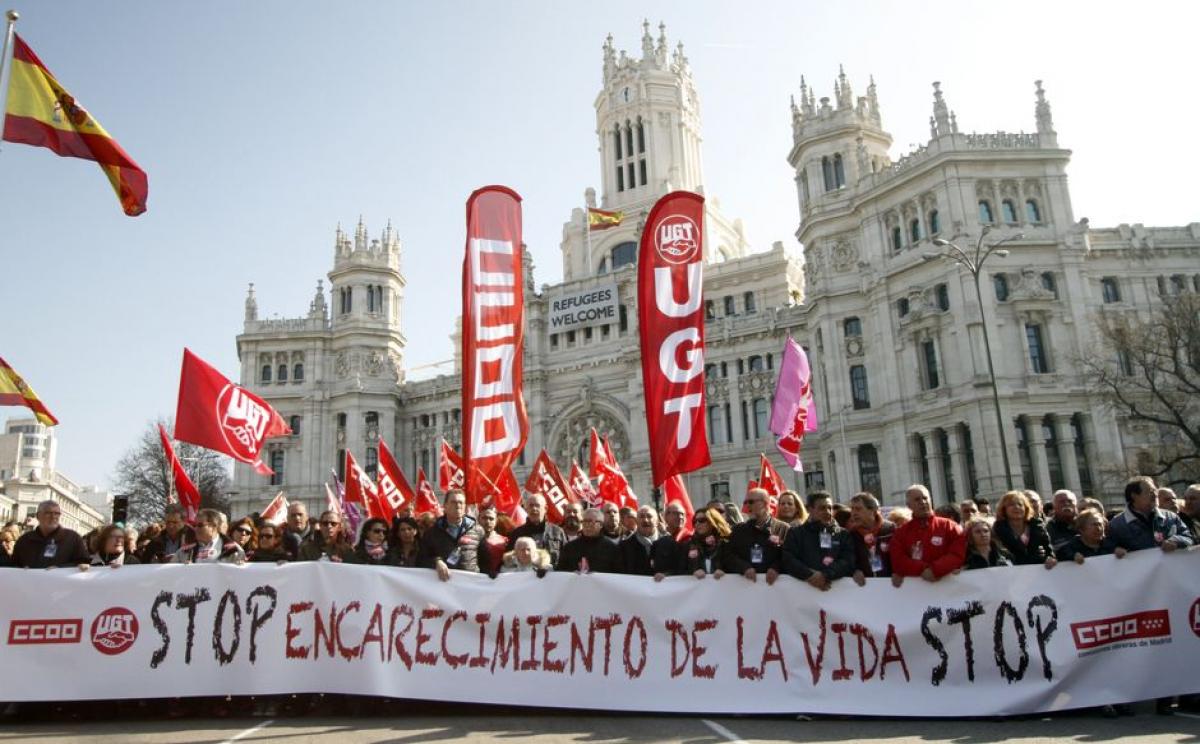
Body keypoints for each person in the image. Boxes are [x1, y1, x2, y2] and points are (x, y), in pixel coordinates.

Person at [889, 485, 965, 585]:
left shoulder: (950, 526)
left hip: (949, 591)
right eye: (917, 499)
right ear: (909, 505)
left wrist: (935, 570)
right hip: (917, 595)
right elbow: (898, 561)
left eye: (925, 498)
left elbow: (958, 554)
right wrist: (923, 569)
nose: (923, 502)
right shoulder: (900, 533)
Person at [781, 491, 854, 591]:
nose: (827, 512)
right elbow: (788, 559)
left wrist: (825, 575)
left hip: (837, 593)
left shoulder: (843, 534)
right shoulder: (795, 533)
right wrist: (810, 575)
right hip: (802, 594)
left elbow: (848, 560)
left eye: (829, 508)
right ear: (809, 509)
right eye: (822, 508)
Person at [1105, 476, 1194, 556]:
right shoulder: (1117, 525)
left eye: (1155, 491)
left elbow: (1188, 538)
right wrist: (1115, 550)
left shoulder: (1170, 517)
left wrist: (1176, 541)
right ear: (1134, 496)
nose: (1155, 495)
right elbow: (1106, 549)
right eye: (1150, 492)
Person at [724, 487, 788, 585]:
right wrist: (744, 567)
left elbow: (790, 555)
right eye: (745, 503)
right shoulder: (738, 530)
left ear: (766, 504)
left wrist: (776, 568)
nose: (747, 506)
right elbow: (728, 555)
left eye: (751, 502)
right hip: (746, 586)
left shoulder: (783, 528)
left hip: (775, 587)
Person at [418, 489, 485, 580]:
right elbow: (422, 559)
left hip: (470, 584)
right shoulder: (432, 532)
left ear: (465, 506)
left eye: (461, 503)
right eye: (453, 502)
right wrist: (436, 562)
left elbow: (485, 560)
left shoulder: (478, 530)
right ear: (445, 506)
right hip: (444, 585)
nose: (458, 506)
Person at [12, 500, 90, 568]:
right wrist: (22, 570)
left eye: (57, 513)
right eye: (48, 513)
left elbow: (83, 563)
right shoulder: (24, 540)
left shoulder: (73, 538)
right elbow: (13, 565)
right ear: (38, 516)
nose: (53, 517)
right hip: (30, 583)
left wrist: (60, 569)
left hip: (60, 583)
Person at [992, 491, 1056, 568]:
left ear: (1026, 508)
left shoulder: (1037, 524)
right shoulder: (998, 528)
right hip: (1012, 572)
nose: (1016, 507)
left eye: (1020, 504)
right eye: (1011, 504)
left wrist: (1051, 558)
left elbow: (1049, 550)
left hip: (1039, 570)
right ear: (1003, 509)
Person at [507, 493, 567, 566]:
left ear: (545, 509)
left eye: (537, 505)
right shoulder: (517, 534)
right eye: (531, 505)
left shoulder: (557, 532)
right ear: (526, 509)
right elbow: (509, 560)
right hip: (525, 575)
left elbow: (566, 558)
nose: (534, 509)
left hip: (553, 576)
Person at [556, 507, 622, 573]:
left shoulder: (612, 549)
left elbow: (618, 575)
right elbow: (560, 572)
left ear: (601, 524)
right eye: (584, 521)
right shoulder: (569, 547)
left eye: (590, 521)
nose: (587, 525)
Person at [847, 492, 894, 582]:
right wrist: (855, 571)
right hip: (866, 589)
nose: (853, 513)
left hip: (890, 587)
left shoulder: (890, 530)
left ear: (872, 510)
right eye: (852, 509)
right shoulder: (851, 535)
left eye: (858, 509)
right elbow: (850, 561)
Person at [174, 509, 245, 563]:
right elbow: (171, 573)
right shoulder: (184, 551)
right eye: (194, 525)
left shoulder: (233, 550)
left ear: (214, 526)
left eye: (200, 525)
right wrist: (183, 569)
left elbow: (239, 576)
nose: (195, 529)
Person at [682, 507, 730, 579]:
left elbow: (734, 565)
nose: (697, 524)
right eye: (695, 521)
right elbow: (680, 570)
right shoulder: (688, 545)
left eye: (702, 520)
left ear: (712, 521)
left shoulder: (726, 543)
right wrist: (693, 572)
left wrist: (725, 572)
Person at [619, 505, 662, 576]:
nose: (645, 520)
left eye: (649, 516)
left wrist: (666, 574)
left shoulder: (668, 544)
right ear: (636, 521)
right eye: (641, 517)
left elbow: (676, 570)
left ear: (656, 521)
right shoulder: (624, 547)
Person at [477, 506, 507, 577]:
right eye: (484, 518)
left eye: (491, 519)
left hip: (499, 580)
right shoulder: (471, 539)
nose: (487, 522)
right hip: (478, 580)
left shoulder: (505, 541)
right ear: (478, 519)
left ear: (496, 521)